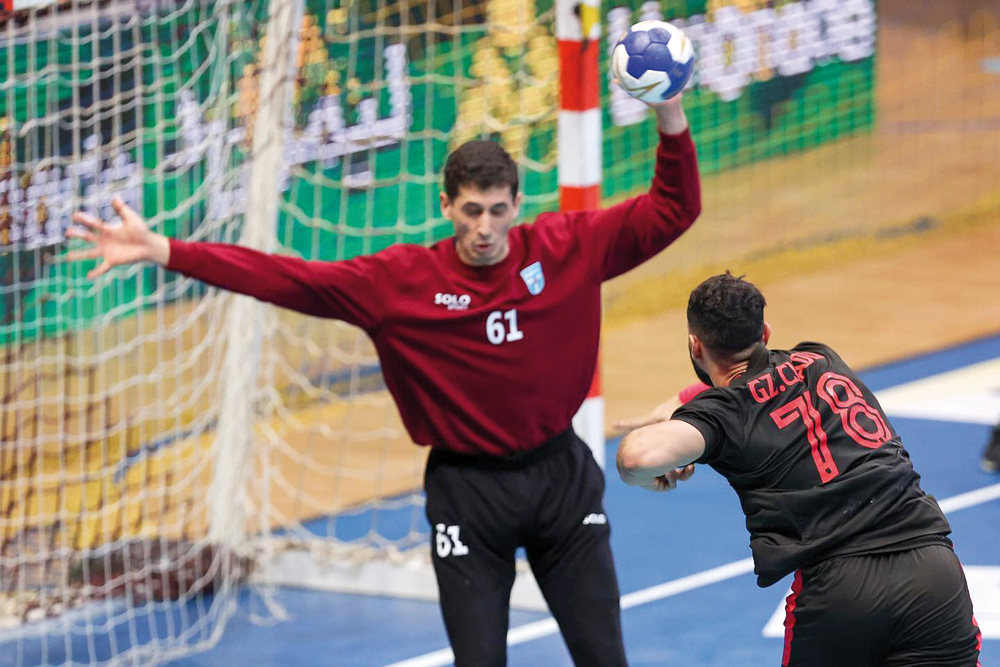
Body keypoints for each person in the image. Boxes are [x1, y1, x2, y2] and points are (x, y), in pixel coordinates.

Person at [66, 94, 701, 665]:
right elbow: (291, 280)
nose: (484, 228)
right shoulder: (397, 284)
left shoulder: (568, 246)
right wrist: (167, 251)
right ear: (446, 204)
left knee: (604, 658)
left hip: (561, 479)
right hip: (468, 495)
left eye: (498, 211)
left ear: (516, 205)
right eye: (471, 211)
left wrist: (669, 112)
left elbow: (674, 209)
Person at [616, 272, 982, 667]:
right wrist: (686, 401)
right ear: (766, 332)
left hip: (842, 589)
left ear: (694, 346)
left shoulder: (721, 416)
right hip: (933, 570)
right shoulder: (822, 357)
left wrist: (656, 468)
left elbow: (636, 457)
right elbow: (763, 384)